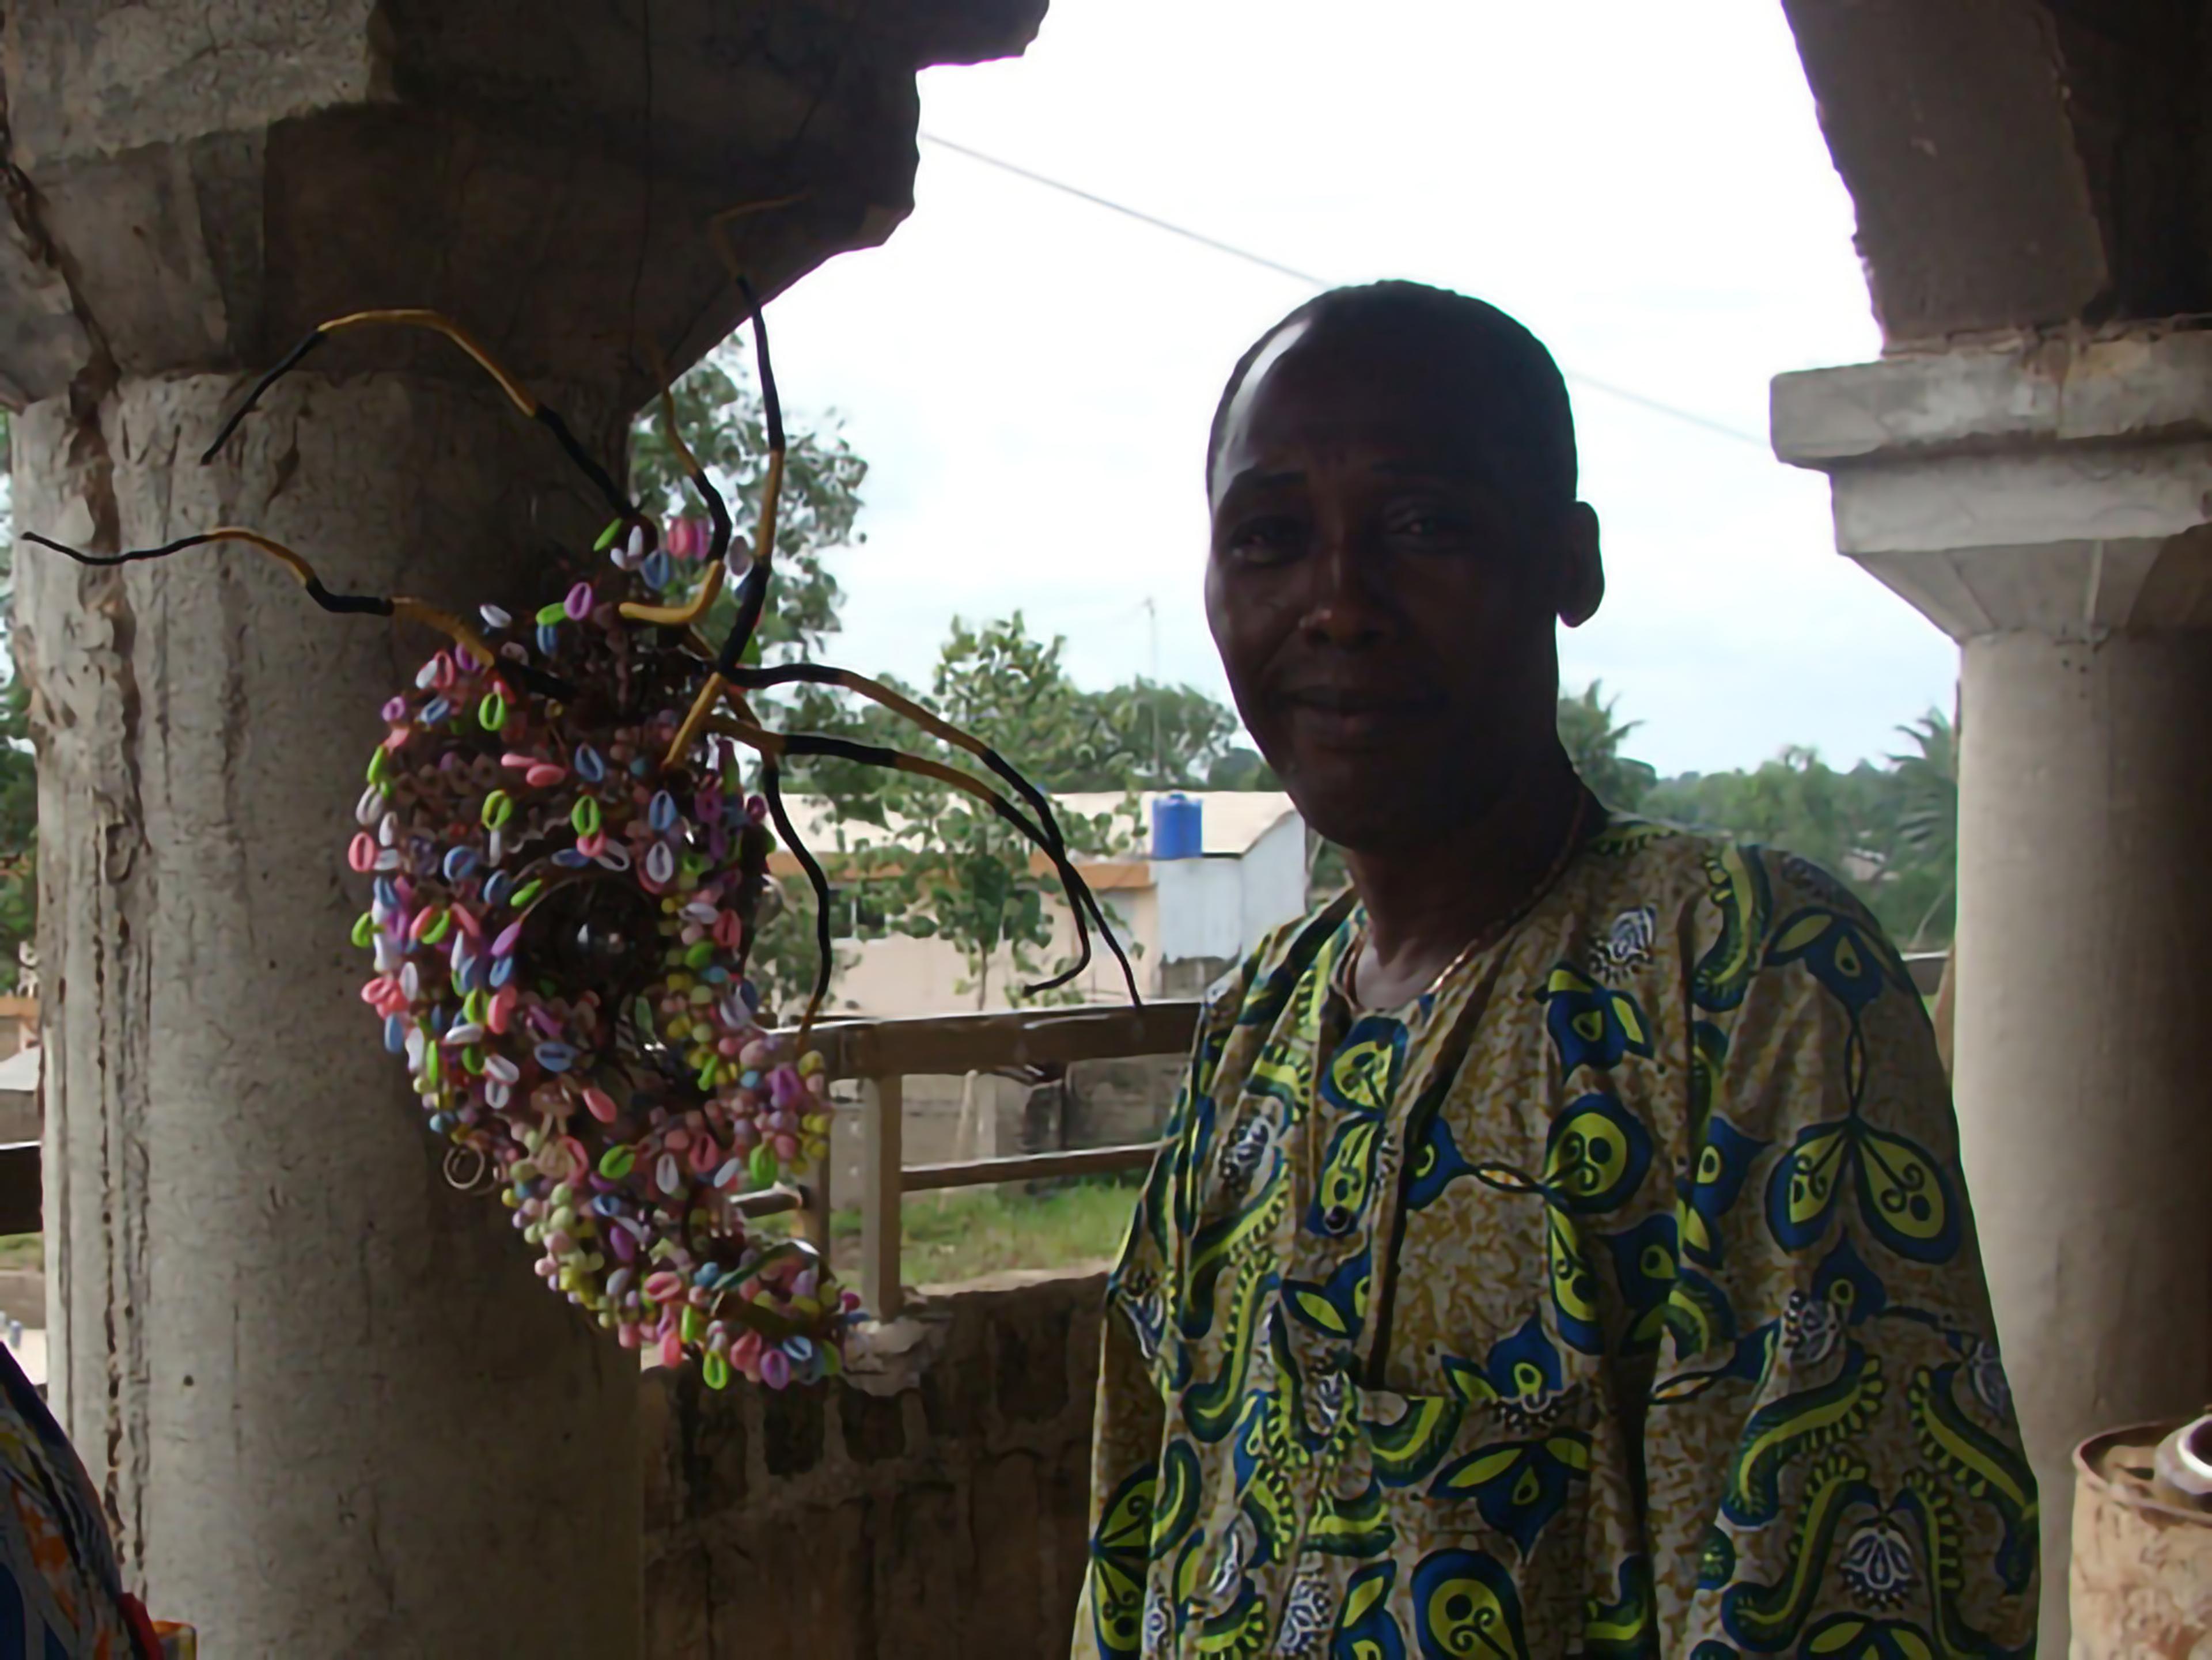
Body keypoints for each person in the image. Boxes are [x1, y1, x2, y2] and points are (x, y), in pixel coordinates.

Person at [1073, 283, 2035, 1658]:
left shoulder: (1747, 980)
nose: (1338, 603)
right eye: (1273, 537)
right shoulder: (1256, 1027)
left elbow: (1844, 1587)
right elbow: (1141, 1545)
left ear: (1569, 564)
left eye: (1423, 528)